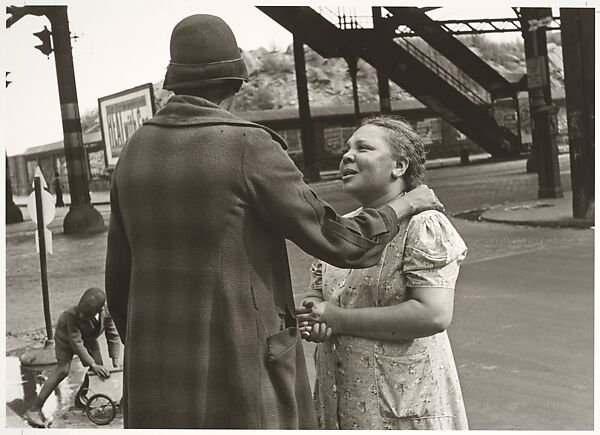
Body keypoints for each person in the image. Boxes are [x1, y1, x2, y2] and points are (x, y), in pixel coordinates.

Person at [105, 15, 443, 429]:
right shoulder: (247, 144)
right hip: (240, 374)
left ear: (174, 82)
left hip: (158, 376)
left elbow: (118, 279)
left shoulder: (134, 152)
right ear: (236, 83)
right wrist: (403, 205)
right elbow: (341, 242)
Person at [298, 115, 469, 430]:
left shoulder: (422, 224)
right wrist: (315, 317)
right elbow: (318, 292)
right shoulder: (344, 229)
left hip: (401, 408)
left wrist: (337, 318)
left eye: (363, 147)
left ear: (399, 166)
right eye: (347, 148)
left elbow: (433, 315)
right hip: (341, 401)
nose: (347, 155)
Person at [24, 287, 121, 428]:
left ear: (99, 310)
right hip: (66, 339)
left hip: (89, 338)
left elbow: (112, 334)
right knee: (63, 370)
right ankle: (34, 409)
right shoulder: (71, 315)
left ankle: (82, 398)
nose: (81, 316)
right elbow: (76, 342)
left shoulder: (106, 313)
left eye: (86, 314)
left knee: (97, 371)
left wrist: (115, 359)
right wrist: (92, 364)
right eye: (80, 311)